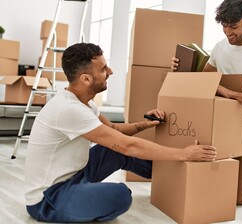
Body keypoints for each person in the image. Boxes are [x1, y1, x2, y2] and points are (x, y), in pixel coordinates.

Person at [24, 43, 217, 223]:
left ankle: (168, 179)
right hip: (49, 197)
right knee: (120, 194)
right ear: (85, 78)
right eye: (103, 69)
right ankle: (77, 204)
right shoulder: (69, 109)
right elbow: (127, 145)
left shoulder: (84, 103)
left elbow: (114, 130)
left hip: (77, 174)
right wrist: (184, 153)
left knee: (116, 149)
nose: (110, 71)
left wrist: (146, 123)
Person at [172, 0, 242, 205]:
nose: (228, 32)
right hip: (221, 123)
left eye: (233, 26)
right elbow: (205, 81)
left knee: (240, 197)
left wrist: (234, 95)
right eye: (224, 26)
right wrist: (179, 68)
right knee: (215, 185)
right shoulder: (220, 48)